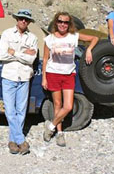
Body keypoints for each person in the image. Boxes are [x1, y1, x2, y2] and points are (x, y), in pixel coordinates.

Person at [42, 11, 98, 147]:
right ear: (56, 23)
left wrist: (89, 50)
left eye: (66, 22)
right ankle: (60, 133)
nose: (63, 24)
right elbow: (45, 59)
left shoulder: (74, 37)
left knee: (67, 106)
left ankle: (50, 126)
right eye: (60, 21)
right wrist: (44, 78)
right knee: (57, 105)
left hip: (68, 74)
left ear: (69, 24)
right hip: (53, 73)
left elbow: (94, 38)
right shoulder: (49, 39)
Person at [0, 9, 38, 155]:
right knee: (10, 110)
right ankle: (21, 139)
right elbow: (2, 55)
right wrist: (23, 53)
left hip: (24, 76)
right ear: (17, 19)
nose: (23, 21)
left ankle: (12, 141)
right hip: (9, 76)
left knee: (21, 110)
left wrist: (14, 52)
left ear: (29, 22)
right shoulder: (7, 34)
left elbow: (31, 59)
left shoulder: (33, 38)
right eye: (21, 18)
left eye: (26, 20)